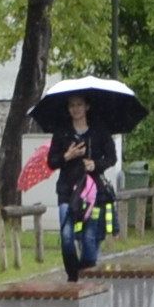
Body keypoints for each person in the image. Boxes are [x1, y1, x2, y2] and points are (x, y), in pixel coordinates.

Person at [48, 91, 108, 276]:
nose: (76, 109)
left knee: (89, 237)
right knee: (67, 235)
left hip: (92, 192)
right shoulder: (62, 133)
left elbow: (111, 157)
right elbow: (51, 161)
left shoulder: (99, 131)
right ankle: (73, 275)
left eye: (79, 105)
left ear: (87, 107)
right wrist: (68, 155)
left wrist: (95, 164)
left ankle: (87, 272)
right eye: (72, 105)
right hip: (67, 190)